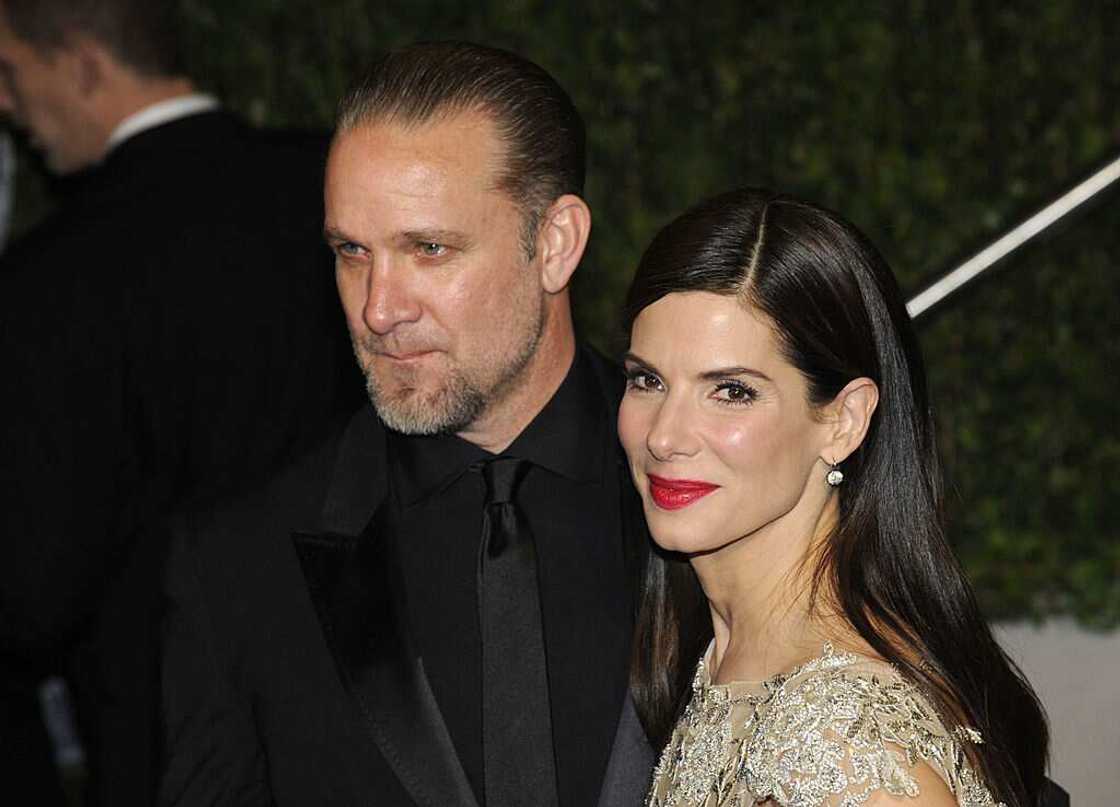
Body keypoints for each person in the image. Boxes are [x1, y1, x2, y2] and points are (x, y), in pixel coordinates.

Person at [159, 42, 654, 807]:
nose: (377, 308)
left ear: (554, 244)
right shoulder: (238, 560)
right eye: (351, 251)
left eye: (428, 249)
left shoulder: (722, 493)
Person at [0, 1, 360, 804]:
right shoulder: (336, 188)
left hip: (172, 734)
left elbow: (33, 589)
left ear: (84, 65)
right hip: (382, 697)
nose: (5, 105)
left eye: (12, 73)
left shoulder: (51, 282)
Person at [618, 188, 1063, 807]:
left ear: (843, 421)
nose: (664, 436)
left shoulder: (846, 748)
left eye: (731, 392)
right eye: (648, 380)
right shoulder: (730, 651)